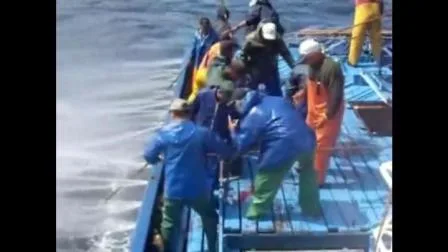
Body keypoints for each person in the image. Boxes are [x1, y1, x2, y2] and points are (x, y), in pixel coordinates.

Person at [143, 98, 233, 252]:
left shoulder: (162, 135)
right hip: (197, 188)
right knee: (209, 217)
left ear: (172, 114)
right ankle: (212, 248)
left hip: (173, 189)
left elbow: (149, 156)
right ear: (190, 113)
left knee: (169, 223)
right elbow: (225, 151)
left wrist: (161, 159)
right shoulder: (201, 133)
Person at [228, 89, 316, 218]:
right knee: (308, 175)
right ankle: (311, 208)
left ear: (240, 102)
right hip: (307, 139)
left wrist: (232, 131)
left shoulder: (254, 113)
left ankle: (255, 214)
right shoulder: (277, 99)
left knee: (266, 180)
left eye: (235, 104)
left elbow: (241, 144)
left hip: (282, 146)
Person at [297, 38, 345, 186]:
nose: (305, 60)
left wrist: (327, 115)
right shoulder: (312, 64)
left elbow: (336, 95)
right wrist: (303, 93)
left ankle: (317, 180)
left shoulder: (332, 68)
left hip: (328, 113)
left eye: (306, 57)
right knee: (306, 139)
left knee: (321, 148)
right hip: (313, 110)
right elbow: (310, 82)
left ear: (316, 54)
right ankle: (305, 165)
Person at [191, 85, 242, 181]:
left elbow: (236, 118)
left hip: (217, 137)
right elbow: (192, 112)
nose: (227, 102)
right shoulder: (203, 95)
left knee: (213, 165)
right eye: (226, 98)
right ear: (219, 92)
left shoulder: (231, 104)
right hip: (200, 134)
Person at [240, 22, 294, 96]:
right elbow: (243, 55)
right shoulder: (251, 39)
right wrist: (246, 70)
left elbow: (285, 54)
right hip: (255, 68)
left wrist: (294, 66)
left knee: (276, 93)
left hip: (271, 68)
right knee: (251, 92)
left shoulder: (277, 39)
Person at [348, 0, 384, 66]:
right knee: (360, 37)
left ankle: (352, 61)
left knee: (358, 37)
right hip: (370, 8)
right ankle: (378, 60)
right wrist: (380, 10)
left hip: (369, 8)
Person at [190, 17, 219, 86]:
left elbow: (216, 48)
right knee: (195, 79)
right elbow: (194, 47)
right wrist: (191, 58)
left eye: (206, 27)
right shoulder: (197, 34)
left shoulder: (214, 36)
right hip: (198, 60)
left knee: (205, 79)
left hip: (207, 60)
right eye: (203, 27)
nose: (205, 29)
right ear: (200, 26)